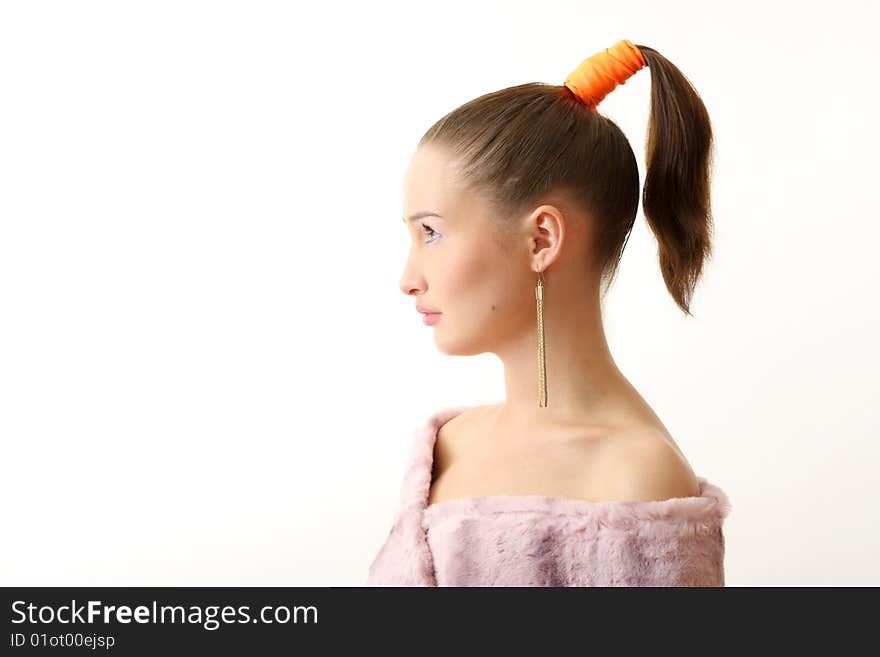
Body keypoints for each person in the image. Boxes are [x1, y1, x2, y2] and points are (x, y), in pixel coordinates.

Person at [368, 39, 731, 587]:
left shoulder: (636, 481)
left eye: (432, 232)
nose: (407, 278)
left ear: (542, 238)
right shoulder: (444, 445)